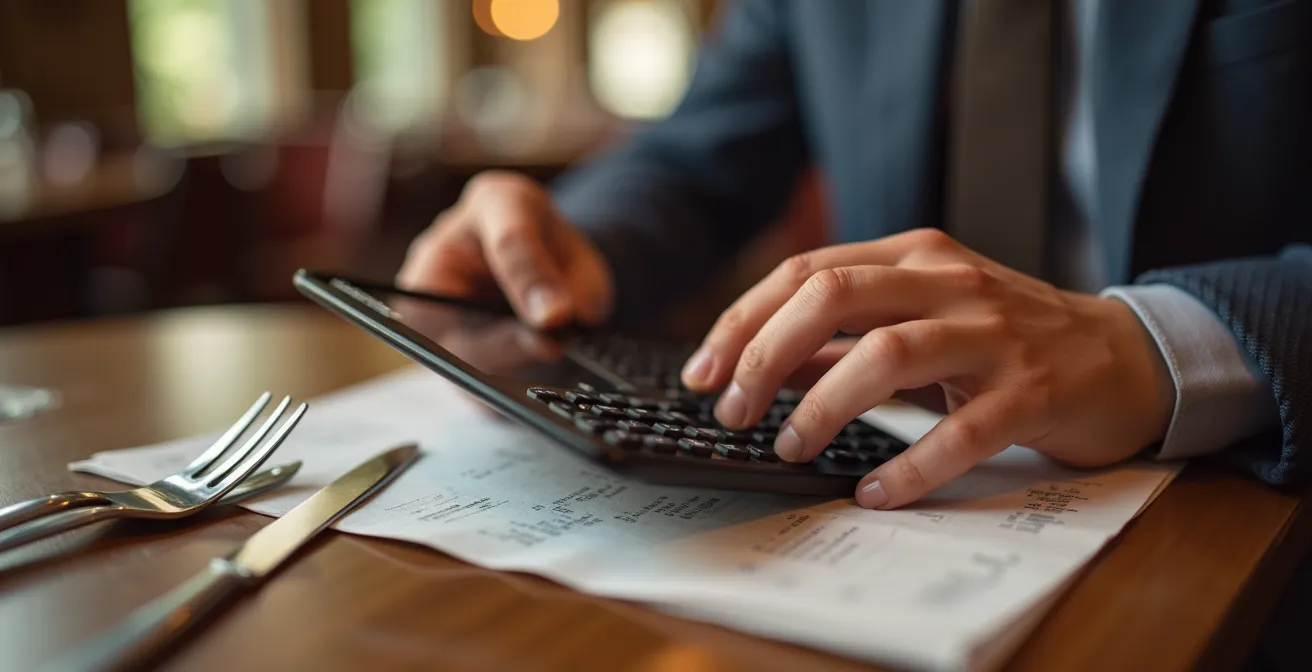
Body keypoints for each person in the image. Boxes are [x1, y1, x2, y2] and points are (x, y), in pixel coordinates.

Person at [398, 0, 1309, 513]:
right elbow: (695, 155)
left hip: (1235, 515)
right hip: (897, 508)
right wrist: (572, 245)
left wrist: (1157, 346)